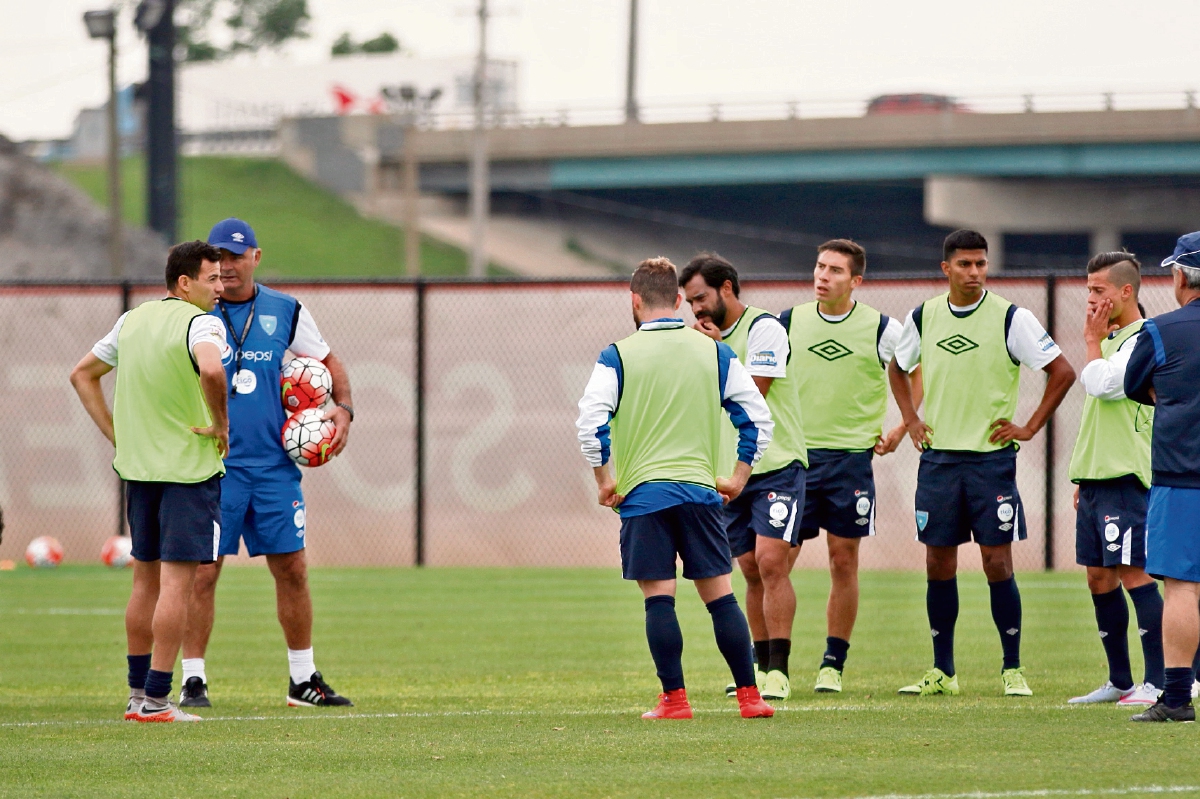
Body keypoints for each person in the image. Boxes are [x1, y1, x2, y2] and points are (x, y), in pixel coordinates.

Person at [576, 257, 776, 720]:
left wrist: (605, 481)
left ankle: (675, 700)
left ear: (635, 300)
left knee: (659, 598)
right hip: (701, 493)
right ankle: (750, 697)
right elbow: (757, 419)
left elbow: (590, 425)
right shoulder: (715, 352)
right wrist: (739, 477)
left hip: (644, 497)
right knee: (720, 596)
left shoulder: (617, 356)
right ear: (680, 300)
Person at [888, 229, 1075, 697]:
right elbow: (897, 364)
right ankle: (943, 672)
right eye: (965, 264)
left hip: (991, 463)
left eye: (980, 263)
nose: (975, 272)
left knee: (997, 563)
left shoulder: (1011, 318)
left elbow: (1063, 371)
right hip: (939, 461)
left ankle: (1012, 669)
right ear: (945, 268)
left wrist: (1029, 426)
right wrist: (910, 418)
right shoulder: (924, 316)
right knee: (938, 563)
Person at [179, 218, 355, 709]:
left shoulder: (286, 310)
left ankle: (303, 680)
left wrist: (343, 409)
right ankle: (193, 679)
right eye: (219, 258)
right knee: (203, 573)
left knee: (293, 569)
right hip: (214, 467)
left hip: (274, 468)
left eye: (237, 256)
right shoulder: (195, 312)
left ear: (256, 256)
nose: (228, 266)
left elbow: (330, 362)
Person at [70, 240, 230, 723]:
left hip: (139, 470)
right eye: (212, 279)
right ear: (185, 283)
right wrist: (221, 424)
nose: (221, 288)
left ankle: (136, 696)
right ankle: (159, 701)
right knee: (178, 585)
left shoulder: (131, 320)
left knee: (144, 582)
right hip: (188, 470)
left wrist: (120, 437)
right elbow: (211, 370)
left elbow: (82, 375)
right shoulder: (201, 322)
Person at [786, 239, 911, 693]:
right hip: (795, 462)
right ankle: (768, 665)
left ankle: (832, 665)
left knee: (843, 562)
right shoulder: (788, 323)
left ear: (855, 280)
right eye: (819, 267)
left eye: (835, 270)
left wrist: (901, 427)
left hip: (850, 463)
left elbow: (917, 372)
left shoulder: (881, 328)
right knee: (773, 563)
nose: (823, 276)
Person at [680, 253, 806, 702]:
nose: (695, 309)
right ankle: (756, 665)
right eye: (689, 302)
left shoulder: (765, 328)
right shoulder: (696, 339)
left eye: (701, 298)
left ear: (727, 288)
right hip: (729, 471)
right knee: (750, 569)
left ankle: (780, 671)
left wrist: (717, 351)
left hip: (777, 464)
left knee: (772, 562)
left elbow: (754, 393)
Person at [1066, 252, 1164, 707]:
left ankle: (1160, 681)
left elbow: (1105, 385)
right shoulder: (1108, 338)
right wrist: (1084, 477)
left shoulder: (1142, 337)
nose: (1091, 299)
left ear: (1127, 291)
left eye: (1098, 290)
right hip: (1097, 474)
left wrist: (1089, 340)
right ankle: (1120, 680)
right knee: (1098, 577)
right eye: (1088, 290)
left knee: (1133, 572)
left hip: (1126, 472)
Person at [1123, 231, 1200, 722]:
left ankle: (1175, 697)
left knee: (1182, 587)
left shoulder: (1161, 330)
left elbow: (1133, 384)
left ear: (1179, 276)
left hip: (1182, 475)